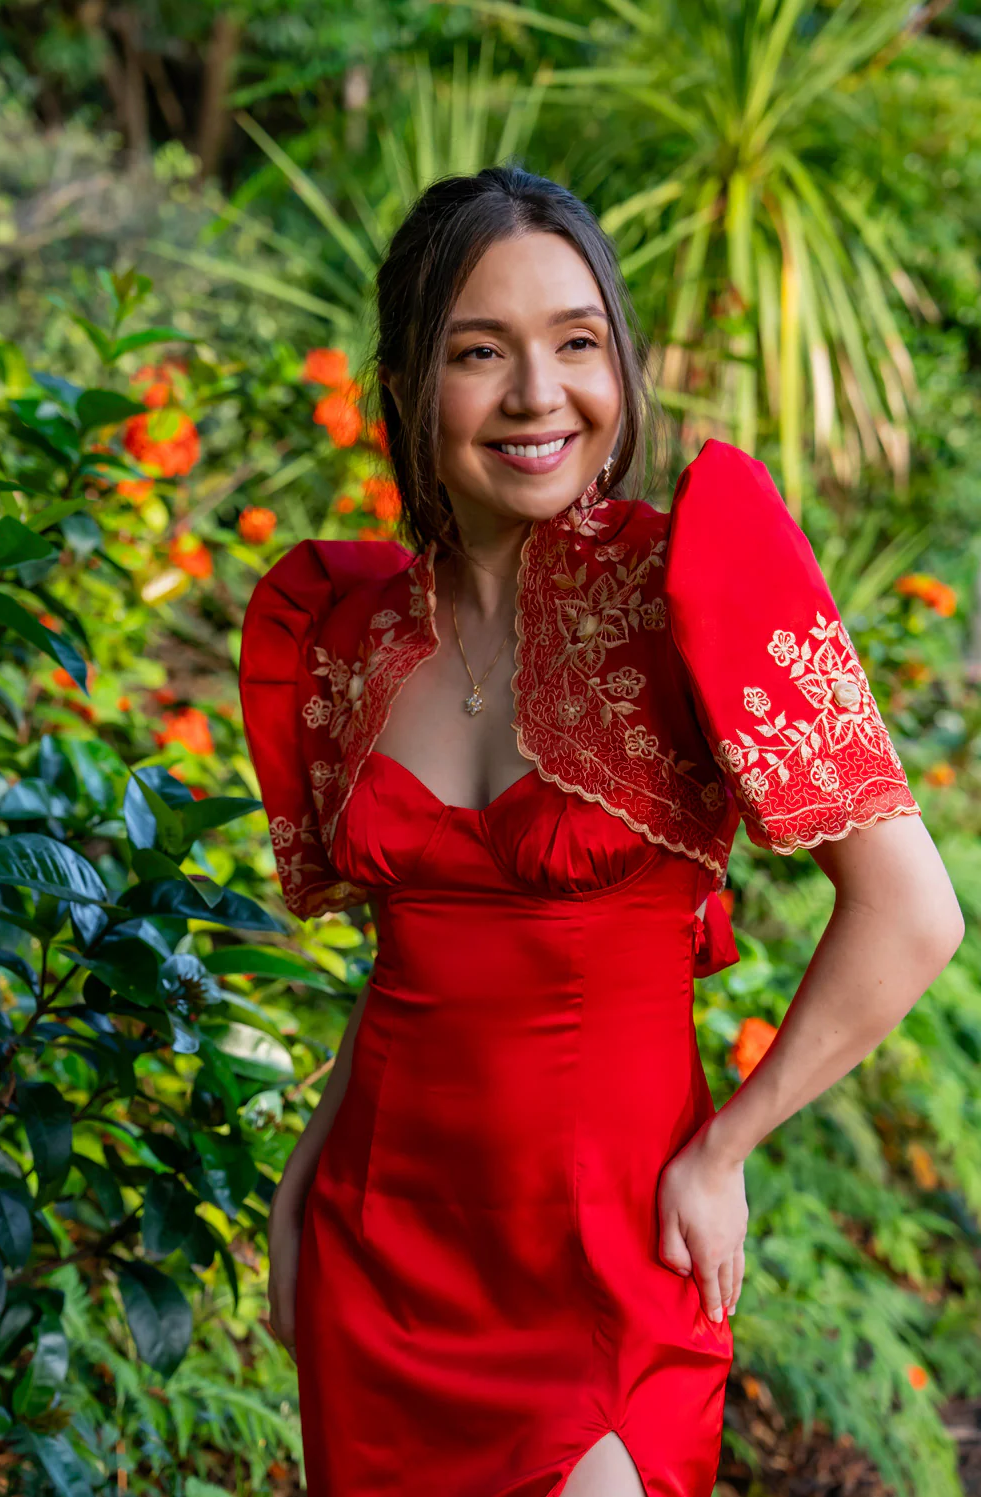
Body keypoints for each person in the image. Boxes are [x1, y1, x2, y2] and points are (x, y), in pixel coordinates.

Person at [238, 166, 964, 1497]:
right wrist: (299, 1183)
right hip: (378, 1253)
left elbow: (914, 915)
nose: (536, 394)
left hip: (614, 1265)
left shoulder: (696, 581)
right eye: (478, 351)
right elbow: (415, 967)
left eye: (577, 344)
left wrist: (727, 1148)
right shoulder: (344, 630)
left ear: (621, 366)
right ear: (404, 387)